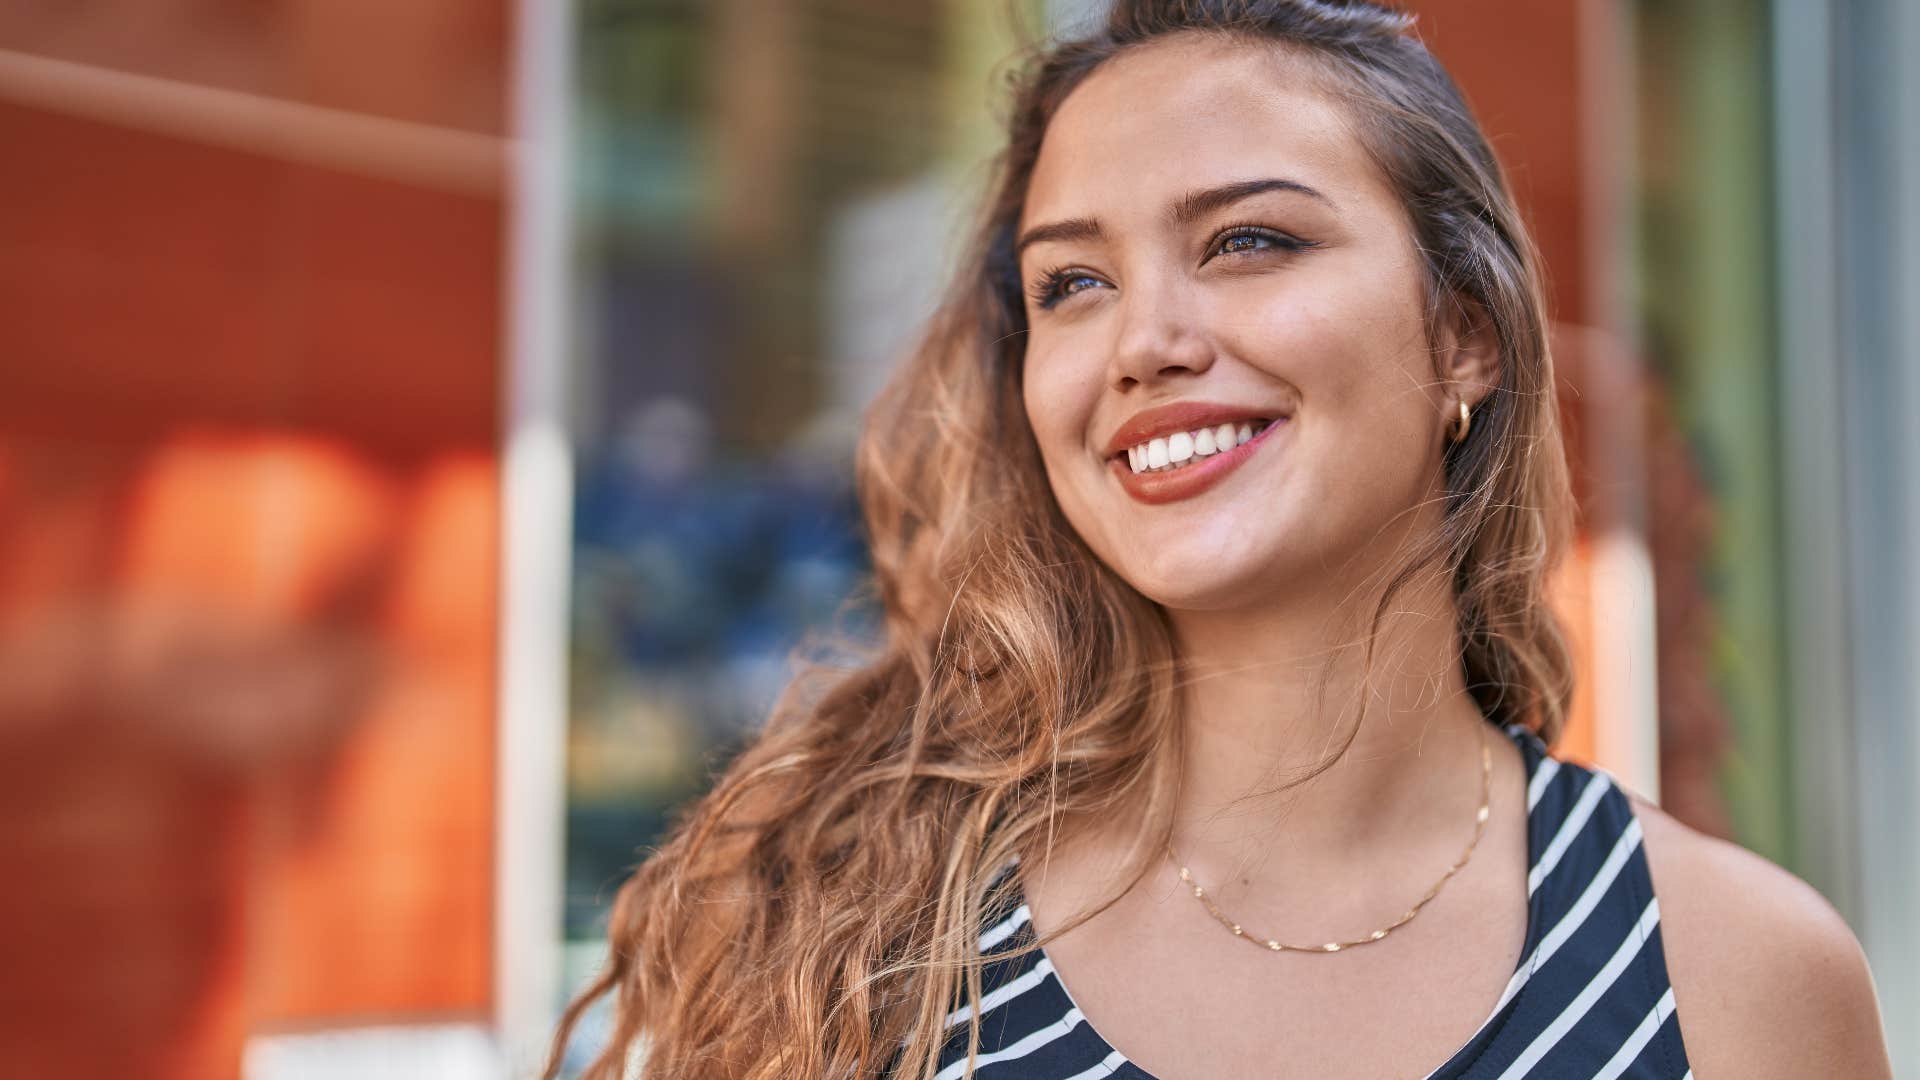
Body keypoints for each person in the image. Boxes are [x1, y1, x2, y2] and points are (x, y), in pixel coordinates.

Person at [546, 2, 1894, 1077]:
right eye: (1072, 284)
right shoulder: (857, 940)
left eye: (1248, 241)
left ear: (1463, 337)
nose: (1146, 343)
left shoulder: (1738, 977)